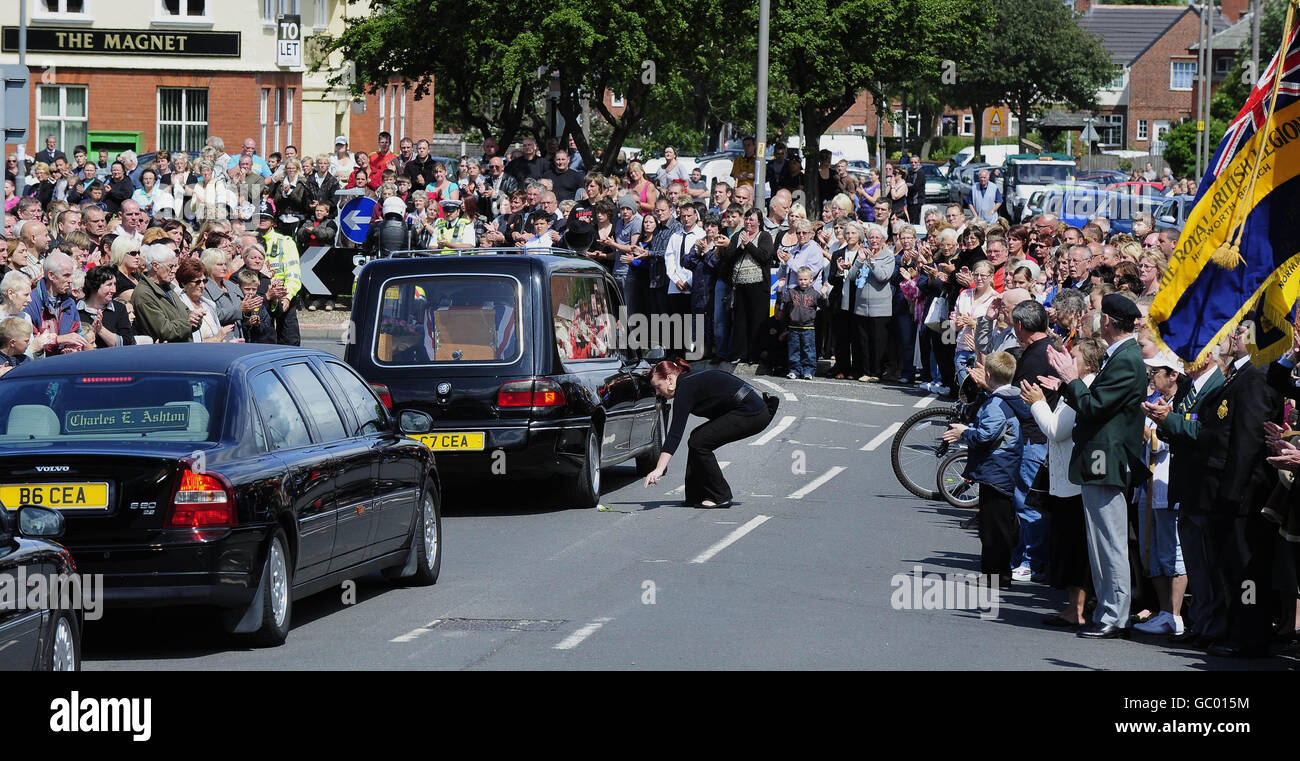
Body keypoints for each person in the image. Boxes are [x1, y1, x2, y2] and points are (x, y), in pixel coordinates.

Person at [1046, 293, 1148, 639]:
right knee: (1100, 540)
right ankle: (1108, 609)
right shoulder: (1121, 356)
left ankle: (1115, 614)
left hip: (1107, 458)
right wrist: (1068, 382)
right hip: (1099, 458)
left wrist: (1071, 379)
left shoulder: (1126, 359)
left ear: (1108, 322)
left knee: (1109, 541)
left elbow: (1095, 407)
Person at [641, 358, 779, 507]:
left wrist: (659, 469)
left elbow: (675, 433)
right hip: (751, 410)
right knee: (697, 438)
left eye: (658, 386)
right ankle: (695, 496)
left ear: (669, 379)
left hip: (752, 413)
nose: (657, 393)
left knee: (699, 442)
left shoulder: (684, 387)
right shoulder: (686, 383)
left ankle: (720, 495)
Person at [944, 351, 1023, 588]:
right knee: (998, 524)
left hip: (996, 469)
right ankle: (998, 573)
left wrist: (964, 433)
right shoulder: (1012, 397)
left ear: (988, 374)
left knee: (992, 528)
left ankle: (994, 576)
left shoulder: (997, 404)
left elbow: (986, 435)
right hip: (1005, 467)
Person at [255, 199, 303, 346]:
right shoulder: (249, 240)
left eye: (266, 217)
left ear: (273, 221)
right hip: (261, 296)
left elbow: (293, 274)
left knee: (289, 342)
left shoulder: (285, 241)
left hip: (283, 296)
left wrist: (287, 297)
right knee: (262, 342)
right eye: (259, 217)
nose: (262, 220)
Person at [130, 243, 200, 343]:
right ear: (155, 265)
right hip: (167, 354)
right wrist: (188, 323)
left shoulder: (167, 288)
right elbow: (164, 331)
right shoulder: (143, 295)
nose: (173, 270)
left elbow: (186, 312)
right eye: (170, 266)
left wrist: (196, 317)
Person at [778, 266, 827, 380]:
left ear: (811, 279)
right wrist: (780, 288)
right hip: (793, 327)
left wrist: (824, 295)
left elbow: (824, 306)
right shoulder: (792, 292)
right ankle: (794, 370)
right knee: (794, 350)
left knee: (808, 350)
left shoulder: (814, 293)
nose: (803, 282)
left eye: (805, 279)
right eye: (800, 279)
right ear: (797, 279)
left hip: (808, 328)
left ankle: (808, 371)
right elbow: (782, 300)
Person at [77, 265, 134, 348]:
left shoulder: (119, 309)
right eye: (109, 285)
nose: (114, 290)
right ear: (95, 285)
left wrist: (101, 330)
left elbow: (126, 344)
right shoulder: (75, 309)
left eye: (114, 284)